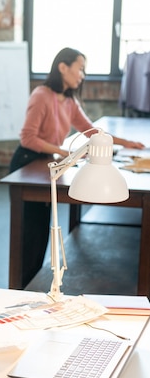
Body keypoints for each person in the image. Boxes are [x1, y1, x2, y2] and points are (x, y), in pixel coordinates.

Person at [9, 47, 145, 288]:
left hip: (47, 163)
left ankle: (31, 282)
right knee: (32, 232)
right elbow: (27, 138)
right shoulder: (41, 95)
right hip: (29, 163)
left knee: (42, 229)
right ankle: (21, 285)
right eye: (80, 68)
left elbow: (92, 131)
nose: (82, 75)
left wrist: (125, 143)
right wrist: (65, 152)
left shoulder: (69, 101)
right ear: (63, 67)